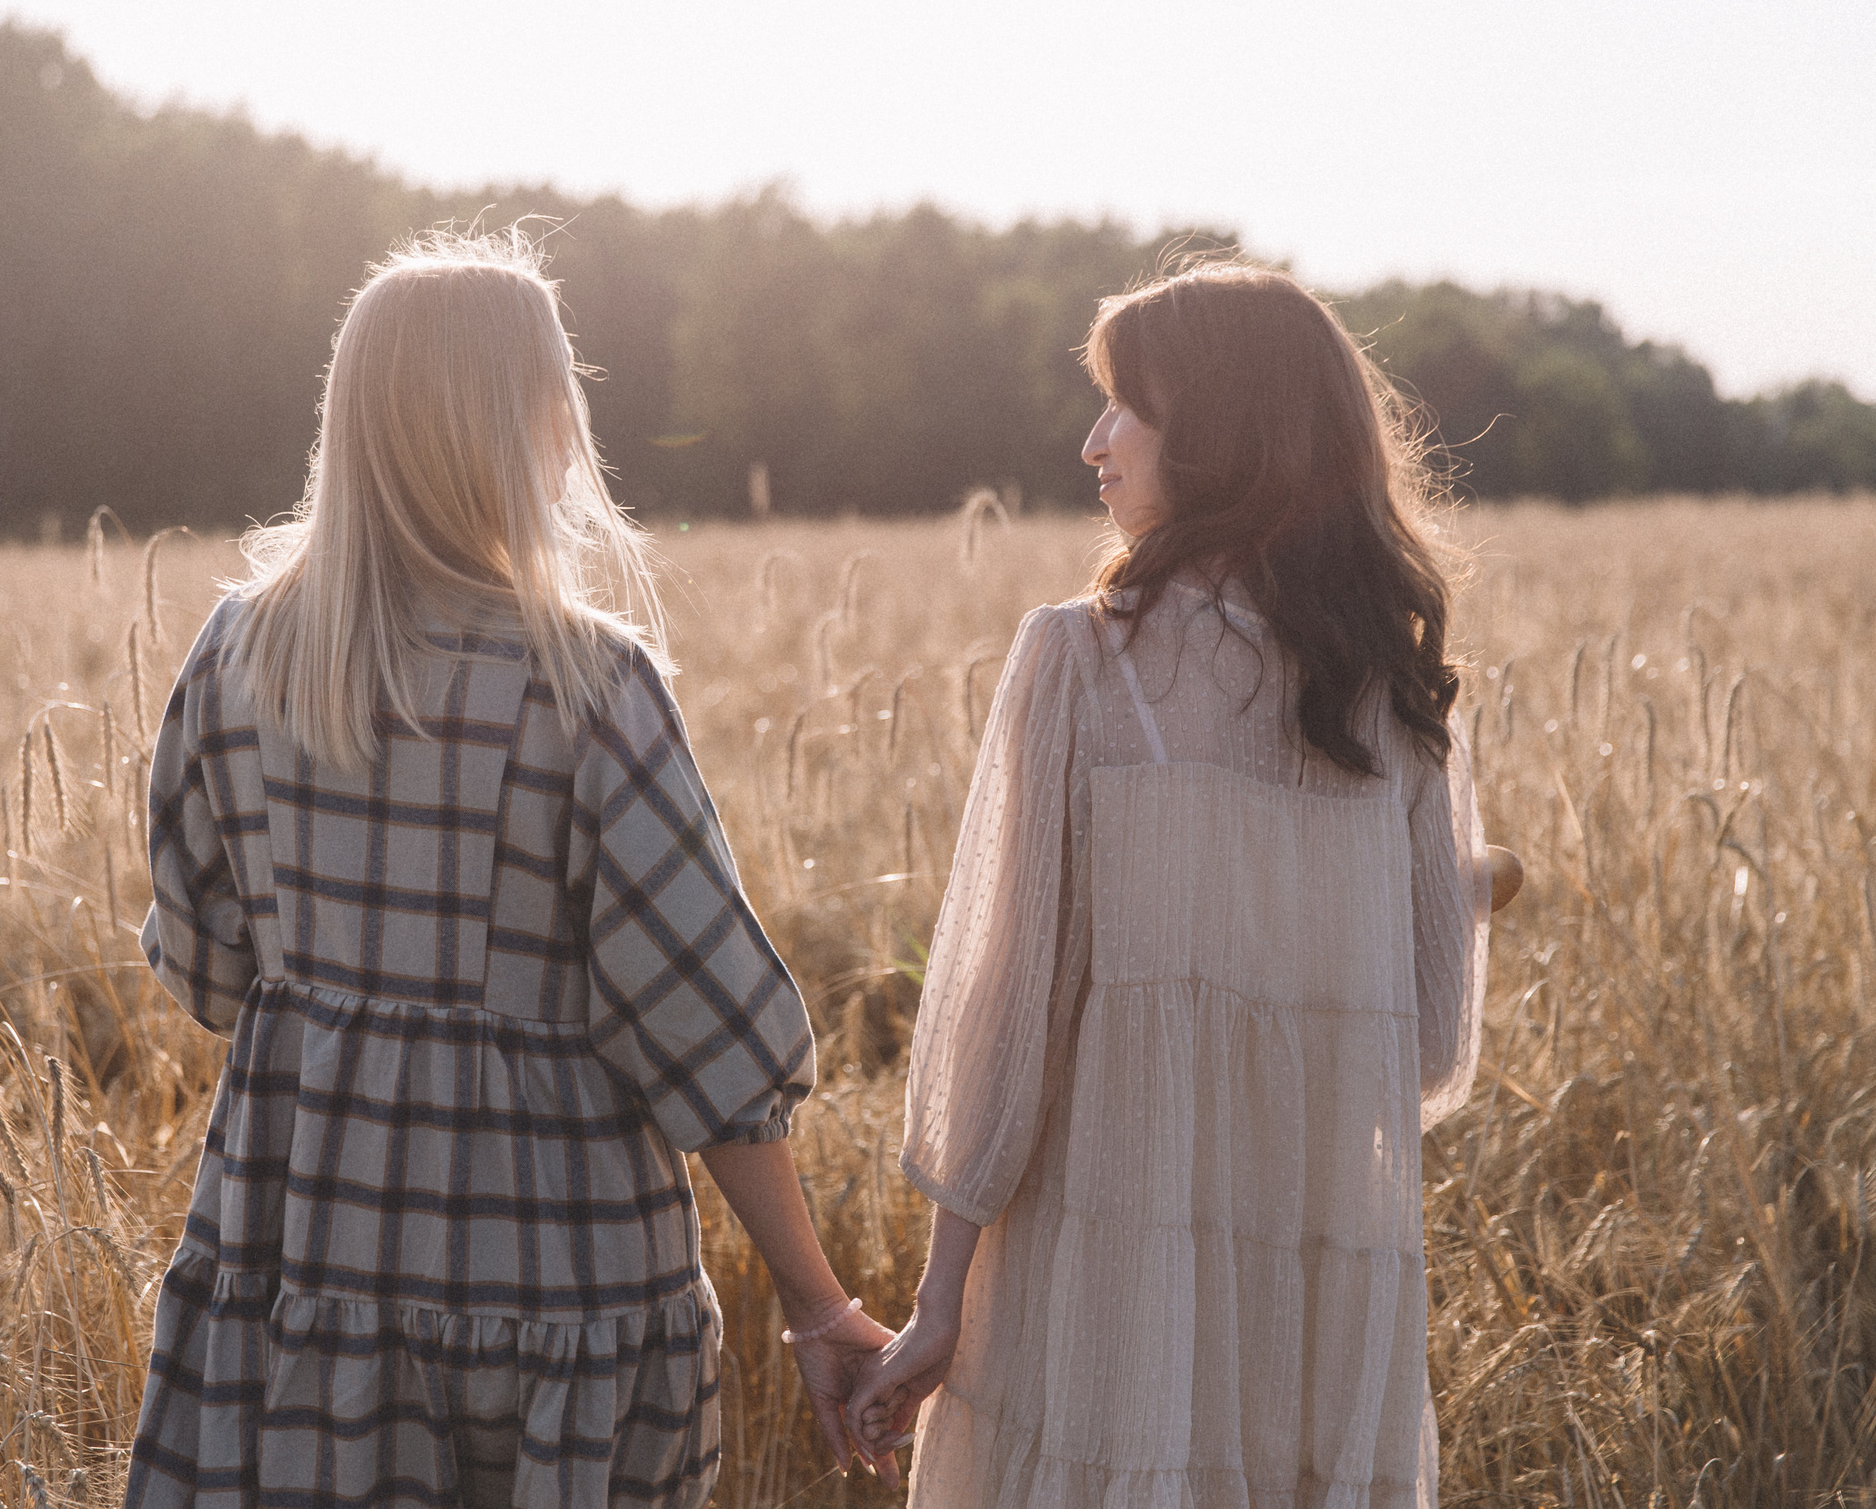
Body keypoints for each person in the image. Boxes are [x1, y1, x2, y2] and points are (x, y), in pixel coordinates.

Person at [123, 232, 893, 1509]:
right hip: (555, 1282)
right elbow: (706, 1033)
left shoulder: (236, 656)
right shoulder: (588, 683)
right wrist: (817, 1306)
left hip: (298, 1247)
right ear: (527, 424)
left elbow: (204, 972)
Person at [848, 262, 1494, 1507]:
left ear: (1222, 432)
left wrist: (940, 1307)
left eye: (1124, 407)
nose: (1093, 443)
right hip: (1312, 1306)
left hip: (1104, 1286)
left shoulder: (1084, 662)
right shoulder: (1394, 688)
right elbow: (1428, 1039)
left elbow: (1000, 1016)